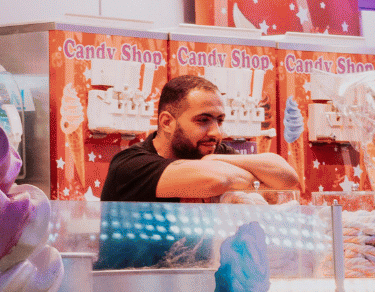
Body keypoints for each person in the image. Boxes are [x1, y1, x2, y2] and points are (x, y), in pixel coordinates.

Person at [100, 75, 299, 204]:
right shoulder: (130, 165)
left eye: (219, 121)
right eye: (203, 120)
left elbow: (288, 178)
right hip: (136, 270)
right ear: (167, 122)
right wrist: (258, 183)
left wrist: (215, 161)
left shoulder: (213, 154)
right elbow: (216, 179)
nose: (216, 132)